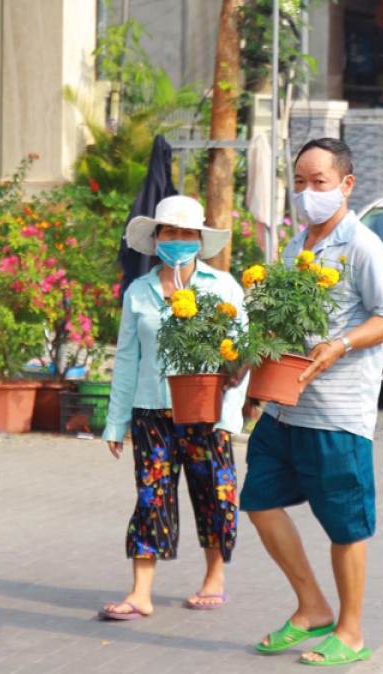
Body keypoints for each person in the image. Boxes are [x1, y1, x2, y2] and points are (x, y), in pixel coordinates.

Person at [241, 138, 383, 666]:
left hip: (337, 414)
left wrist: (341, 343)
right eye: (301, 182)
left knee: (344, 524)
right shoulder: (296, 248)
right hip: (285, 405)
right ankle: (312, 606)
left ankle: (352, 632)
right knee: (259, 501)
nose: (308, 192)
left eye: (320, 182)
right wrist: (249, 362)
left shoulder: (363, 246)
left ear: (346, 185)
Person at [99, 195, 248, 620]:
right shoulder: (139, 292)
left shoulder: (223, 288)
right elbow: (127, 359)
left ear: (200, 240)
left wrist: (228, 416)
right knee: (151, 497)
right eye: (170, 232)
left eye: (187, 234)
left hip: (207, 412)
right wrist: (116, 423)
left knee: (215, 494)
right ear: (156, 237)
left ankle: (214, 579)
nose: (178, 240)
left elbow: (241, 356)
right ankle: (140, 593)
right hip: (151, 413)